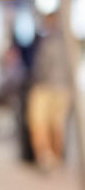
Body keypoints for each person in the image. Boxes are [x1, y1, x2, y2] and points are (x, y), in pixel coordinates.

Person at [26, 11, 73, 172]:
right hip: (58, 87)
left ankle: (50, 159)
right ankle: (50, 159)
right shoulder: (64, 41)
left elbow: (41, 68)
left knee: (45, 125)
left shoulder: (55, 42)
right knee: (51, 126)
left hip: (48, 87)